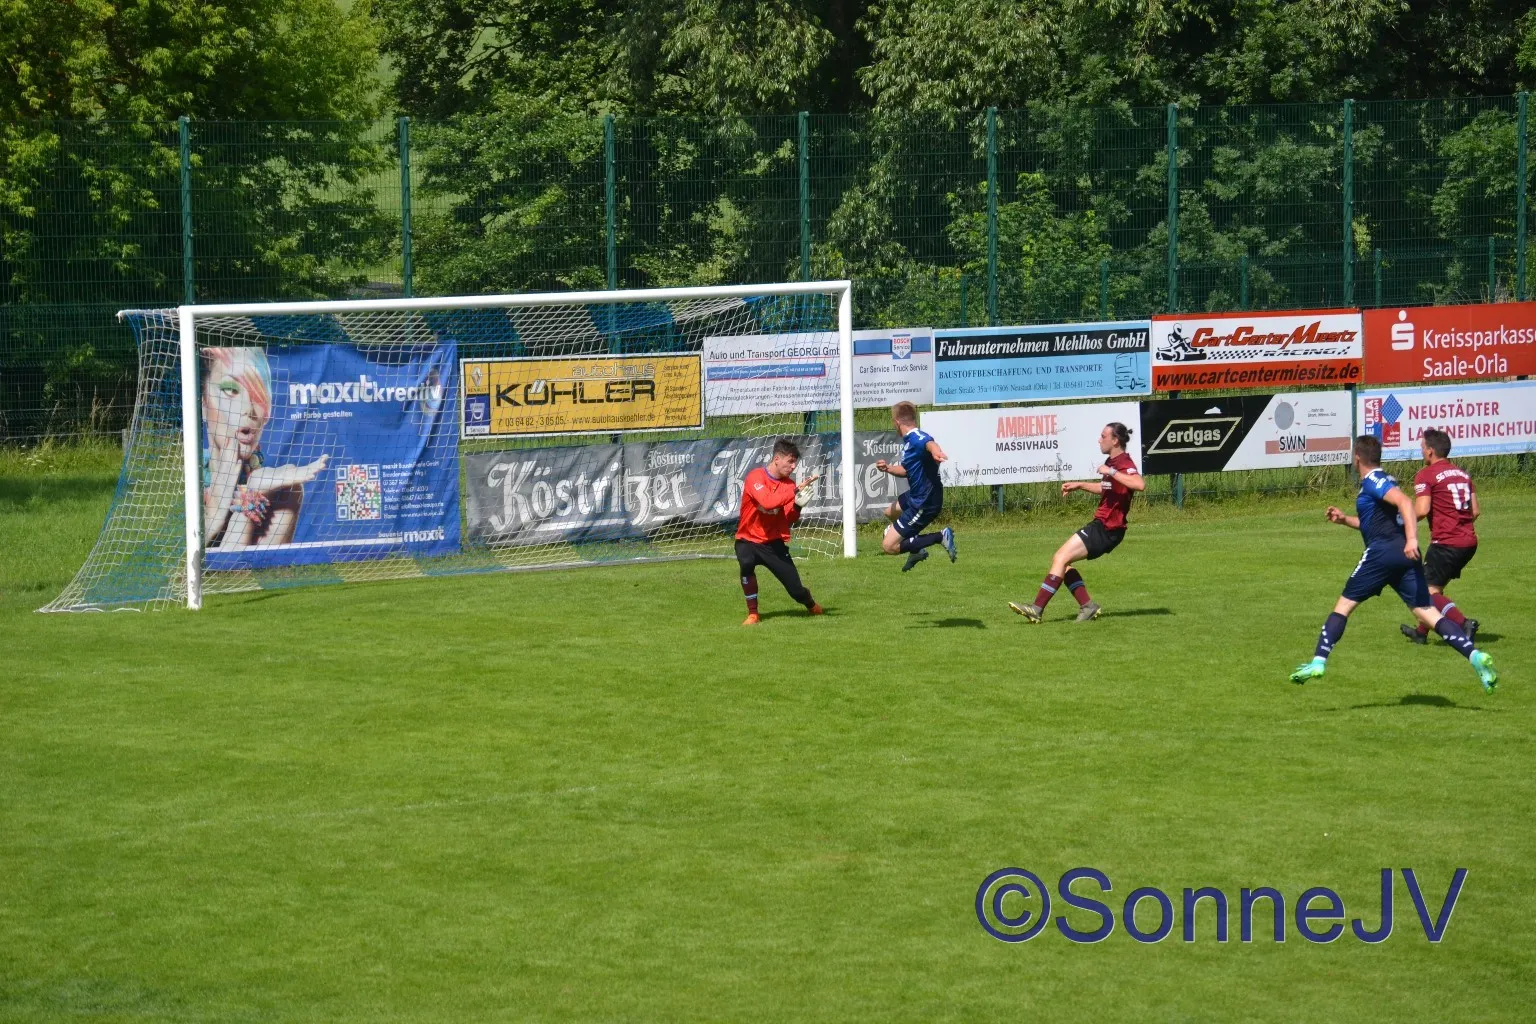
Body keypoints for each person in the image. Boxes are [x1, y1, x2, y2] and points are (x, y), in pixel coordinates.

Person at [1289, 435, 1496, 692]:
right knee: (1427, 613)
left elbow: (1406, 503)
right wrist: (1344, 520)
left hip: (1382, 554)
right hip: (1403, 557)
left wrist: (1412, 539)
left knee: (1343, 607)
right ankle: (1475, 656)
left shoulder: (1374, 480)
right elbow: (1377, 524)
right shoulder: (1384, 480)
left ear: (1357, 458)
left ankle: (1318, 662)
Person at [1010, 422, 1143, 623]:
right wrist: (1080, 485)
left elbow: (1139, 484)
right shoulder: (1113, 462)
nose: (1099, 440)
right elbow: (1107, 488)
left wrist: (1111, 471)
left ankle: (1036, 609)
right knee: (1062, 562)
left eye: (1103, 436)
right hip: (1104, 526)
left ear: (1115, 440)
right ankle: (1087, 606)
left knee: (1061, 558)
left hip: (1108, 528)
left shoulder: (1123, 462)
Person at [201, 346, 329, 549]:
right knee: (263, 482)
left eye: (258, 396)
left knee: (289, 489)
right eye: (231, 390)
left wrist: (250, 496)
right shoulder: (187, 476)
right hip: (207, 566)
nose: (249, 409)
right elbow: (181, 554)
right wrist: (216, 512)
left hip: (244, 565)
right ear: (204, 403)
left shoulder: (267, 480)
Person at [1401, 427, 1481, 645]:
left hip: (1446, 543)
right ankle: (1421, 632)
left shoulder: (1426, 475)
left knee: (1426, 591)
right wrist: (1458, 525)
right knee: (1435, 587)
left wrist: (1400, 521)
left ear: (1430, 451)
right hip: (1469, 542)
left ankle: (1464, 623)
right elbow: (1475, 511)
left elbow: (1422, 510)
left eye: (1422, 447)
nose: (1421, 451)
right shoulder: (1463, 474)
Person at [736, 438, 823, 626]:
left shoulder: (789, 486)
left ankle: (810, 603)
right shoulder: (755, 477)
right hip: (747, 539)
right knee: (746, 563)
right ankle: (753, 614)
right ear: (777, 459)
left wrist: (798, 506)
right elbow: (767, 502)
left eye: (795, 463)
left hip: (773, 543)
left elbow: (789, 519)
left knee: (795, 591)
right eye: (790, 461)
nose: (793, 467)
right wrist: (795, 492)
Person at [874, 401, 957, 571]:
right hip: (917, 494)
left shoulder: (917, 438)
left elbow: (929, 443)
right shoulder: (909, 441)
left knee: (889, 546)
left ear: (896, 422)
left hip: (924, 501)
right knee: (890, 512)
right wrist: (888, 468)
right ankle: (916, 549)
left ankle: (940, 536)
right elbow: (906, 470)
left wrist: (936, 451)